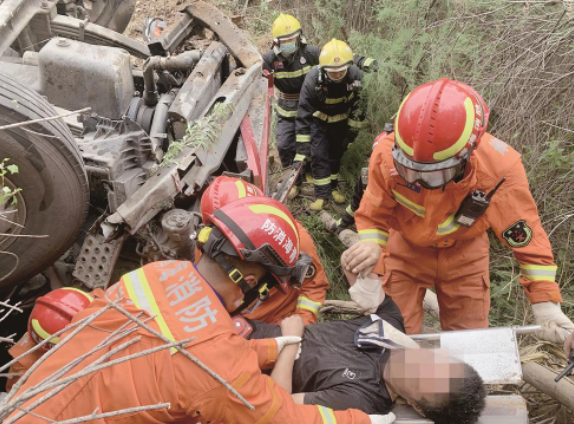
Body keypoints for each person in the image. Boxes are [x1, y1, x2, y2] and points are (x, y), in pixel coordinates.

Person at [8, 197, 391, 424]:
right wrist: (362, 419)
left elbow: (182, 346)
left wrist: (275, 346)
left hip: (27, 406)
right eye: (269, 285)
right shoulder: (218, 368)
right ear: (251, 276)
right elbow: (282, 418)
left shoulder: (159, 273)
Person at [341, 78, 574, 342]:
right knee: (394, 337)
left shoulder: (498, 171)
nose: (416, 179)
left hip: (466, 255)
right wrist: (373, 258)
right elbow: (373, 214)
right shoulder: (386, 154)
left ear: (467, 155)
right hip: (404, 249)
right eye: (409, 169)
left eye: (431, 174)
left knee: (469, 343)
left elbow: (527, 240)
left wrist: (545, 301)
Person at [245, 286, 487, 424]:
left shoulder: (362, 400)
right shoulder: (389, 327)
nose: (415, 363)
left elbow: (278, 408)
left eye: (420, 379)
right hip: (241, 327)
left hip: (237, 370)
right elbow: (365, 283)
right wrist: (363, 260)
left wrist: (290, 342)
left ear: (416, 406)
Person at [200, 176, 329, 324]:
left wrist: (300, 327)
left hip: (276, 322)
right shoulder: (212, 243)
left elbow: (314, 288)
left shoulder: (292, 241)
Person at [263, 14, 376, 169]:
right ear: (277, 41)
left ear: (299, 37)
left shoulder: (309, 53)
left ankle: (308, 170)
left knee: (310, 143)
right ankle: (291, 177)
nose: (289, 42)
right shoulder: (269, 60)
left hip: (311, 107)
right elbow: (260, 82)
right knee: (284, 145)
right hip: (287, 109)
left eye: (292, 38)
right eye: (285, 40)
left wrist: (361, 61)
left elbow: (334, 56)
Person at [292, 39, 367, 211]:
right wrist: (302, 149)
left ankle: (332, 188)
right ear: (324, 69)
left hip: (342, 124)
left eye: (341, 71)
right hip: (320, 124)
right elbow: (303, 114)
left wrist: (350, 135)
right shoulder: (312, 80)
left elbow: (360, 108)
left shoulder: (355, 77)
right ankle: (321, 195)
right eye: (332, 72)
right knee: (319, 156)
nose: (337, 75)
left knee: (336, 156)